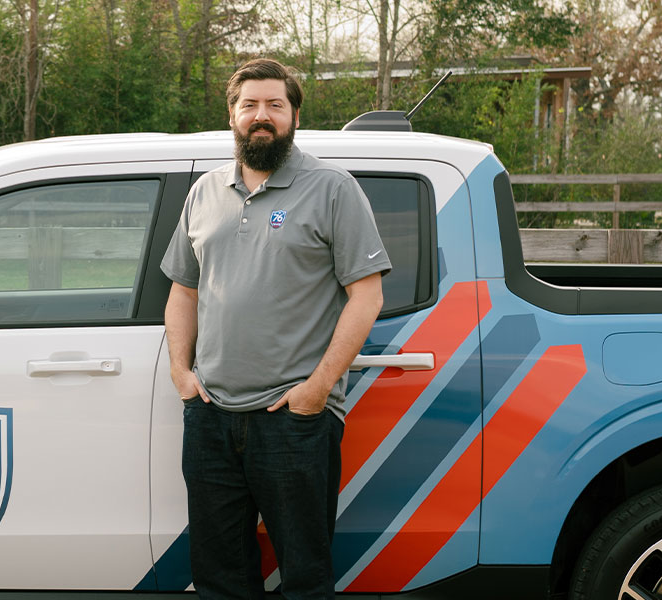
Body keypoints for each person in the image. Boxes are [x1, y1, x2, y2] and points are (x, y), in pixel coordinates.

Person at [160, 58, 390, 600]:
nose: (261, 116)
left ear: (293, 115)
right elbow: (183, 291)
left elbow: (367, 295)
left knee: (305, 578)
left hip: (293, 420)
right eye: (250, 105)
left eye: (275, 105)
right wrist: (181, 373)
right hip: (211, 416)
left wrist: (316, 390)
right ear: (232, 114)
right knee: (219, 577)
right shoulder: (205, 192)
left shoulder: (332, 188)